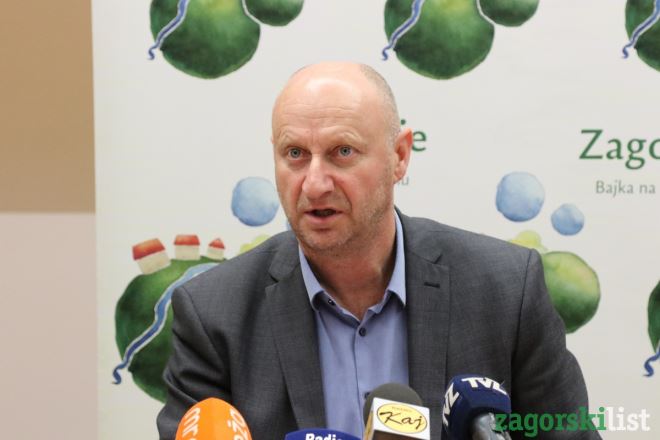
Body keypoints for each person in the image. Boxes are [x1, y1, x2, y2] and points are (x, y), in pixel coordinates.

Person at [157, 62, 595, 439]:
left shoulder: (506, 290)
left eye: (342, 152)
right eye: (295, 153)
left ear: (399, 156)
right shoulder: (214, 315)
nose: (314, 183)